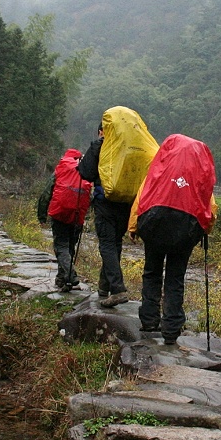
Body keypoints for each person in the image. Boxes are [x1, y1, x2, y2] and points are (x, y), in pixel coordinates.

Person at [128, 134, 217, 345]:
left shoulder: (159, 171)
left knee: (152, 272)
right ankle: (171, 330)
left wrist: (133, 226)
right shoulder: (198, 178)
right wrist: (206, 231)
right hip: (185, 230)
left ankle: (149, 321)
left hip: (155, 224)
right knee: (175, 278)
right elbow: (210, 208)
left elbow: (142, 196)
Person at [77, 122, 131, 307]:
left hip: (105, 202)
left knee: (107, 244)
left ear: (102, 131)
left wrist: (97, 145)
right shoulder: (129, 147)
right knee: (115, 243)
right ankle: (103, 287)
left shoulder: (100, 145)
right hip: (126, 203)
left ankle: (117, 289)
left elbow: (86, 173)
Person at [37, 148, 91, 291]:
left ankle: (70, 276)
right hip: (77, 215)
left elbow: (47, 192)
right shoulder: (86, 170)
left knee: (61, 246)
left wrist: (42, 215)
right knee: (69, 247)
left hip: (60, 212)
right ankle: (62, 279)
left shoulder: (61, 168)